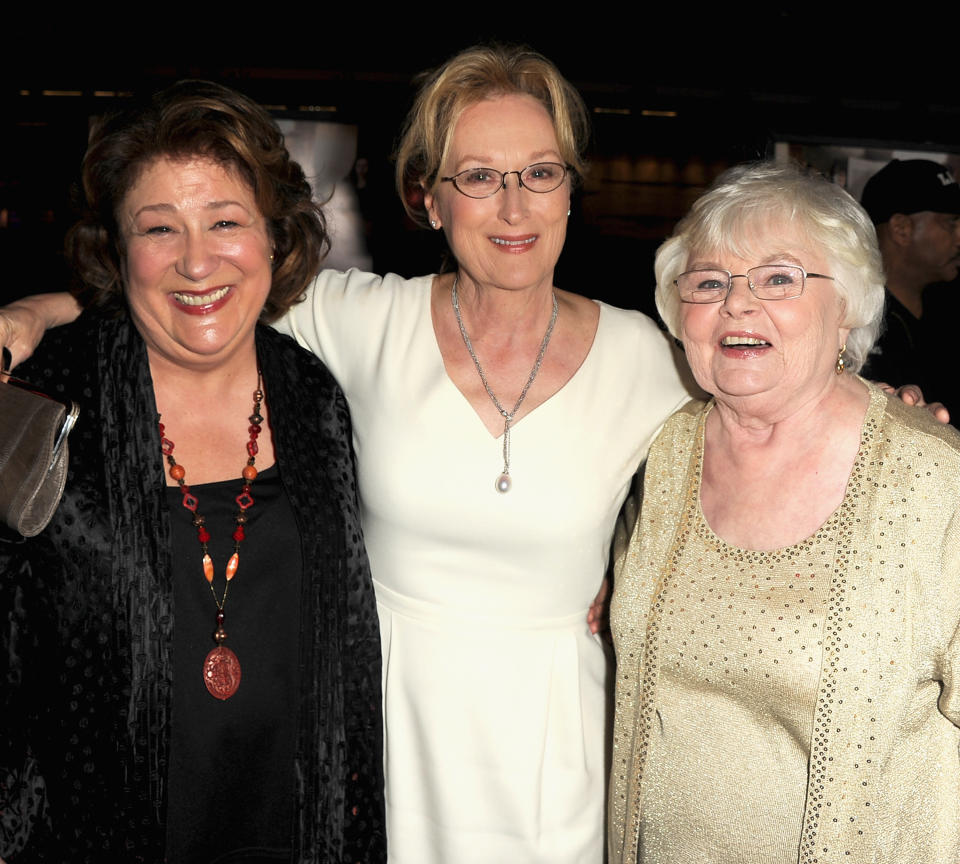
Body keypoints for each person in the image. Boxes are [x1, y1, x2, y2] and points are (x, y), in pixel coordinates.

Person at [0, 52, 948, 864]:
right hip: (385, 737)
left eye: (540, 173)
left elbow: (776, 397)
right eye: (478, 176)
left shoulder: (655, 357)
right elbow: (200, 289)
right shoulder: (357, 319)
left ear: (573, 187)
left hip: (560, 756)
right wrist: (40, 316)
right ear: (428, 196)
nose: (513, 206)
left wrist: (887, 416)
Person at [0, 81, 385, 862]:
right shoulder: (44, 400)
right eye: (158, 228)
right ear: (117, 248)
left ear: (275, 238)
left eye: (225, 221)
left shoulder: (313, 400)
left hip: (289, 832)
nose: (197, 259)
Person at [608, 162, 960, 864]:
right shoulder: (662, 453)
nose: (737, 305)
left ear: (851, 307)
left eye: (779, 279)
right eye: (709, 283)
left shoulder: (932, 480)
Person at [859, 158, 960, 411]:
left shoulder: (948, 306)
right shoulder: (855, 321)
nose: (959, 236)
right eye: (951, 223)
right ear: (902, 229)